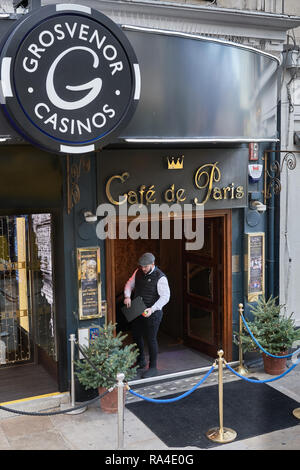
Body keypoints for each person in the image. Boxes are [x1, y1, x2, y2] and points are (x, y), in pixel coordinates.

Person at [123, 252, 170, 378]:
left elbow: (165, 297)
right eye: (141, 266)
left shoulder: (160, 277)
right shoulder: (137, 271)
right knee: (136, 335)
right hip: (137, 308)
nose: (143, 268)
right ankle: (141, 360)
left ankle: (153, 367)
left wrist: (153, 309)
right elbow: (129, 284)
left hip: (153, 312)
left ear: (152, 264)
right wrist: (127, 296)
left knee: (151, 339)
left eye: (145, 266)